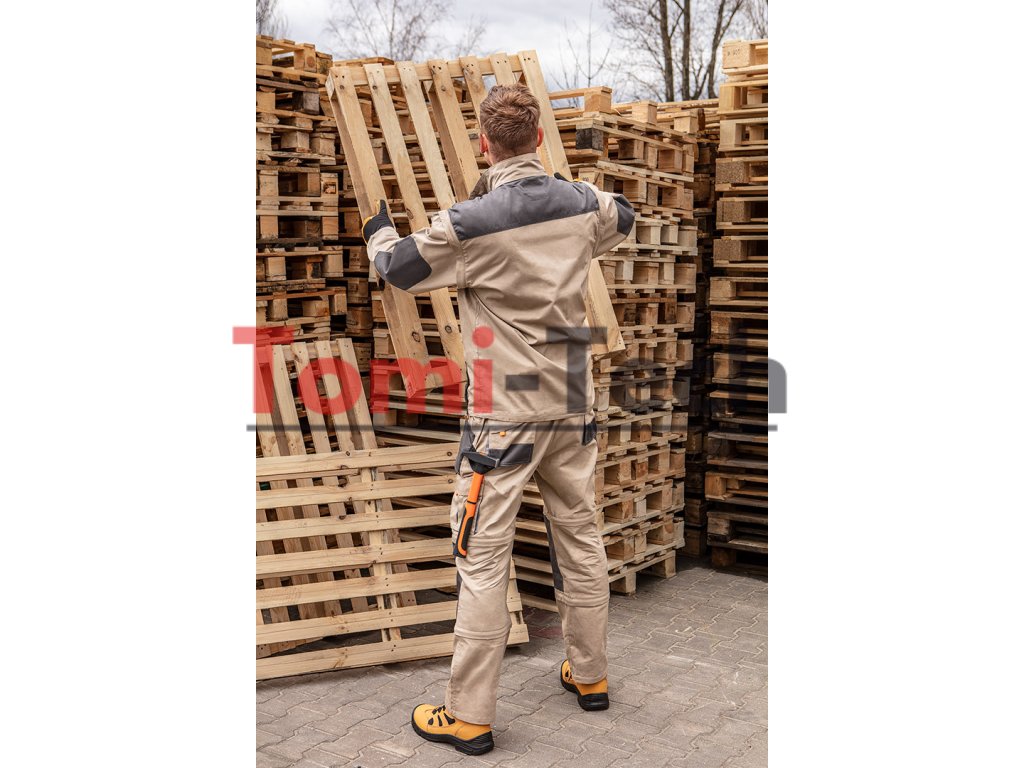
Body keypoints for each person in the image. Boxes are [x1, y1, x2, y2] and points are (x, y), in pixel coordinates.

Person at [361, 83, 636, 756]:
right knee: (579, 536)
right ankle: (591, 675)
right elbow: (623, 216)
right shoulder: (583, 205)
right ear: (539, 138)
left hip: (503, 417)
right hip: (571, 402)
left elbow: (398, 268)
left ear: (484, 144)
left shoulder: (471, 224)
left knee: (482, 557)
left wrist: (378, 230)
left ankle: (470, 715)